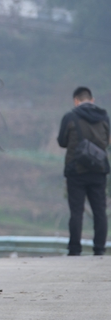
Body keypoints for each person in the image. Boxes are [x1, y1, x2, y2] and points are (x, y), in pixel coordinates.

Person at [57, 87, 110, 256]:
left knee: (76, 211)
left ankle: (74, 249)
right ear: (92, 100)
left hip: (76, 170)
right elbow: (108, 141)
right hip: (99, 170)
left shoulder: (70, 117)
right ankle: (99, 248)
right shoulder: (104, 117)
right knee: (99, 211)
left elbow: (62, 141)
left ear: (76, 101)